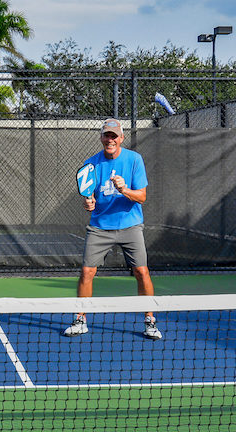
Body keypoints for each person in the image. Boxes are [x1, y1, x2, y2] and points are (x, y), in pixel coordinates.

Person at [64, 118, 162, 340]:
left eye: (114, 136)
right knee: (87, 272)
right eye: (106, 135)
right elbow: (89, 197)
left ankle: (150, 320)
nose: (110, 140)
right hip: (100, 226)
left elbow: (142, 197)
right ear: (101, 138)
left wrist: (124, 188)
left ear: (121, 138)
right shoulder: (92, 164)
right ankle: (80, 319)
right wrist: (88, 203)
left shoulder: (134, 160)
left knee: (141, 272)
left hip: (130, 225)